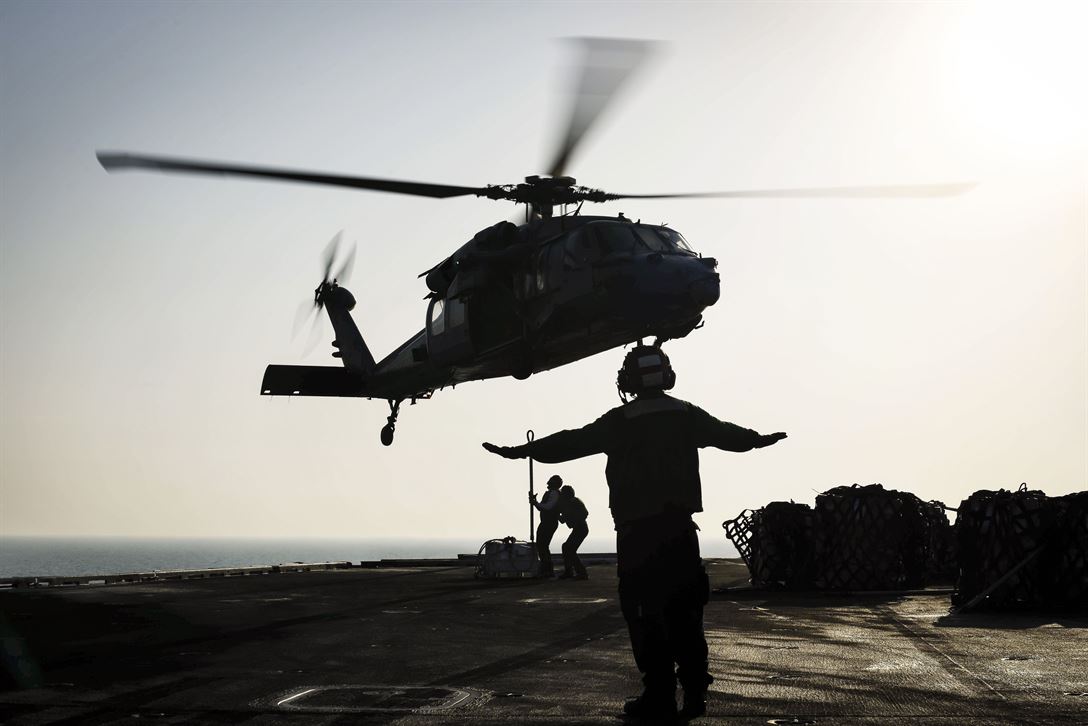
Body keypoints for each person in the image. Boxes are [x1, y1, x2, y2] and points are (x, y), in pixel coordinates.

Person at [483, 344, 786, 721]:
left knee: (644, 614)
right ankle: (694, 694)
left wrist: (522, 451)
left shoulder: (620, 422)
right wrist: (758, 438)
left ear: (628, 380)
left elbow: (570, 441)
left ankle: (658, 695)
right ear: (667, 375)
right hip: (680, 532)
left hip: (637, 536)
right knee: (686, 613)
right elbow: (728, 435)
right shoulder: (686, 415)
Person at [530, 474, 563, 577]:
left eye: (550, 481)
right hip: (546, 522)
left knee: (543, 545)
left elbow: (548, 507)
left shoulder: (554, 494)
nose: (548, 483)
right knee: (542, 545)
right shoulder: (552, 493)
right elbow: (543, 508)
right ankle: (546, 569)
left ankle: (547, 570)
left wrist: (535, 503)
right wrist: (535, 503)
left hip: (549, 522)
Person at [556, 485, 589, 580]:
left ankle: (581, 573)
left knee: (569, 549)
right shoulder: (575, 501)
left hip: (580, 529)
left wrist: (556, 513)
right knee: (567, 547)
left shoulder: (572, 503)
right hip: (580, 528)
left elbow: (563, 519)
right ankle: (570, 571)